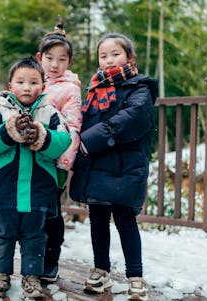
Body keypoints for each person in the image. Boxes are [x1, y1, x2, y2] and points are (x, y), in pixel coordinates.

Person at [69, 33, 158, 301]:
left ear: (129, 57)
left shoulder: (140, 88)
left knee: (125, 221)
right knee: (97, 219)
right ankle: (101, 269)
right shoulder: (94, 89)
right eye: (103, 55)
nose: (108, 60)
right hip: (97, 164)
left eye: (115, 54)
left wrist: (88, 140)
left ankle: (135, 276)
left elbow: (131, 119)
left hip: (125, 165)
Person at [0, 56, 72, 300]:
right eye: (20, 82)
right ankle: (0, 276)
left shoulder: (51, 114)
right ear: (10, 86)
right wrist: (10, 130)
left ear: (43, 86)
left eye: (33, 82)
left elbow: (63, 141)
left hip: (38, 189)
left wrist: (41, 136)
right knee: (4, 234)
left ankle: (32, 278)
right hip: (5, 187)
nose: (27, 87)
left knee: (35, 235)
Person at [35, 22, 82, 283]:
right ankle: (34, 259)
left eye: (61, 60)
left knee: (51, 210)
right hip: (31, 160)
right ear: (40, 58)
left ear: (69, 61)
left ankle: (51, 260)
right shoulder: (33, 81)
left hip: (55, 161)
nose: (55, 65)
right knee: (33, 211)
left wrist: (63, 162)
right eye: (50, 58)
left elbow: (73, 127)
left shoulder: (70, 89)